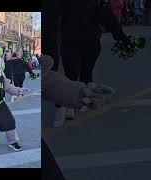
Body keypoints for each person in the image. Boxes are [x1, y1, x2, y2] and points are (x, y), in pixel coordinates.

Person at [42, 0, 128, 178]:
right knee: (71, 73)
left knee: (87, 74)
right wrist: (51, 58)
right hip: (69, 40)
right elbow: (50, 19)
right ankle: (63, 107)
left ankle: (79, 100)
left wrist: (120, 36)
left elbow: (107, 15)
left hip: (91, 40)